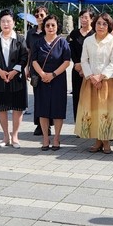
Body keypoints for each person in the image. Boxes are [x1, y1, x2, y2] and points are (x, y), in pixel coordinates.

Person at [76, 13, 113, 154]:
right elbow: (84, 60)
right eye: (98, 23)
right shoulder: (88, 40)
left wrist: (100, 77)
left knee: (106, 111)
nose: (101, 26)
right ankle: (98, 140)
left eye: (104, 24)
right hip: (90, 81)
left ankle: (106, 141)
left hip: (109, 81)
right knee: (94, 111)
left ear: (109, 26)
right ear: (94, 24)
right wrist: (92, 77)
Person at [0, 10, 28, 148]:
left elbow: (24, 57)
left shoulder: (20, 39)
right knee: (2, 108)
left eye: (8, 21)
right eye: (3, 21)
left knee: (17, 107)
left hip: (17, 78)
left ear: (14, 23)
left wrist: (14, 71)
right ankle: (5, 136)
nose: (6, 24)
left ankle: (15, 136)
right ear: (0, 23)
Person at [31, 14, 71, 151]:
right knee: (42, 110)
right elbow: (34, 61)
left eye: (53, 25)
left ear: (57, 27)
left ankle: (56, 138)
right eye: (47, 25)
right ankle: (45, 138)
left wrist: (53, 75)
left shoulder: (62, 42)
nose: (50, 27)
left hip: (58, 79)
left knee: (57, 109)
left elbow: (66, 61)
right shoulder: (38, 43)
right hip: (42, 80)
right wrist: (42, 74)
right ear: (44, 27)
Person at [67, 9, 94, 123]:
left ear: (91, 19)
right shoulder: (74, 33)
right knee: (77, 97)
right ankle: (78, 123)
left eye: (86, 17)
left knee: (90, 97)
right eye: (81, 17)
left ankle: (90, 124)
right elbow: (71, 50)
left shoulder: (94, 33)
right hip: (77, 69)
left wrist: (85, 68)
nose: (83, 20)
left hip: (91, 70)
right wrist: (77, 64)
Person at [25, 5, 48, 136]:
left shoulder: (49, 30)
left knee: (48, 98)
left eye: (42, 15)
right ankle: (39, 124)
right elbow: (28, 51)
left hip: (48, 69)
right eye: (37, 15)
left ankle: (48, 125)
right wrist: (26, 67)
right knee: (38, 97)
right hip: (34, 69)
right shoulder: (30, 33)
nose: (39, 17)